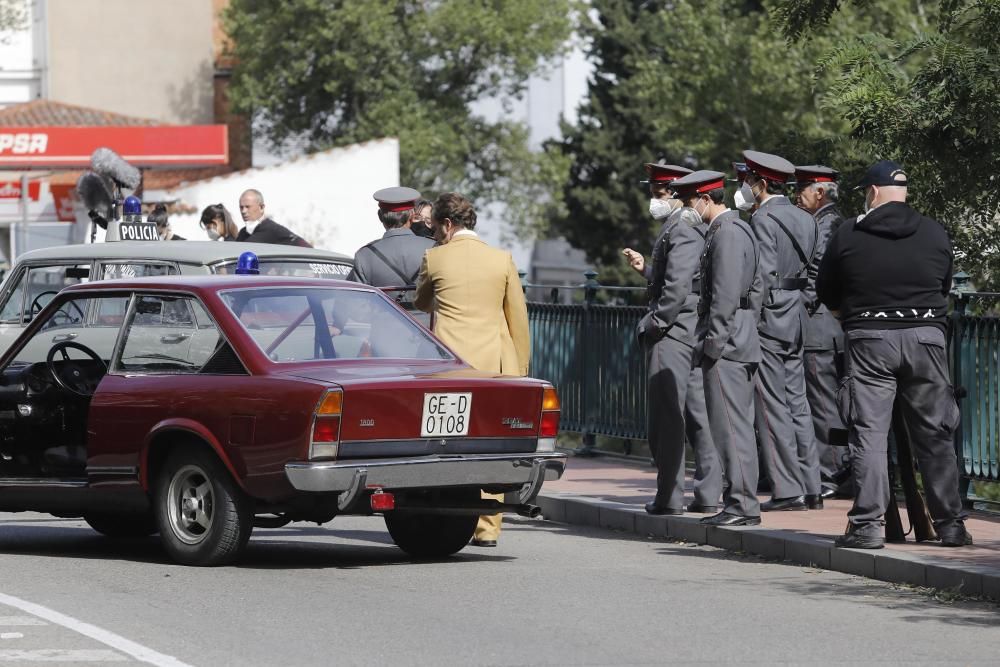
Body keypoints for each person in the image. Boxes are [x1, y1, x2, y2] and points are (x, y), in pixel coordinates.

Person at [817, 160, 970, 549]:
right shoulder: (936, 232)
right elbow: (944, 284)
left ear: (871, 192)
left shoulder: (848, 233)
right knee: (935, 433)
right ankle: (951, 525)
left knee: (869, 433)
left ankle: (867, 526)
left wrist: (850, 316)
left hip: (870, 339)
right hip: (926, 338)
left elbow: (827, 289)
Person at [414, 192, 530, 547]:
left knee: (444, 445)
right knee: (491, 446)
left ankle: (447, 515)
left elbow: (421, 301)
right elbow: (518, 319)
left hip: (449, 367)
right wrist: (521, 369)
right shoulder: (501, 259)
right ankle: (488, 529)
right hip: (492, 367)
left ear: (448, 225)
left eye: (435, 229)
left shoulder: (435, 259)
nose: (434, 235)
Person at [622, 161, 721, 515]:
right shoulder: (684, 225)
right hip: (690, 324)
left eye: (660, 193)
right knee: (697, 414)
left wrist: (656, 324)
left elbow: (678, 285)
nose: (655, 199)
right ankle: (708, 493)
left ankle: (669, 496)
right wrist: (647, 271)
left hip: (675, 329)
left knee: (667, 417)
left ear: (676, 193)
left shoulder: (679, 227)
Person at [675, 169, 762, 526]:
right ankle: (739, 502)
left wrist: (714, 343)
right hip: (740, 336)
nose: (685, 208)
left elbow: (725, 296)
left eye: (688, 201)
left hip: (726, 343)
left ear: (705, 199)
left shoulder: (725, 233)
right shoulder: (741, 228)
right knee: (736, 424)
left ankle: (742, 505)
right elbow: (757, 290)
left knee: (730, 427)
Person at [742, 150, 821, 512]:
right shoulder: (806, 218)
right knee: (798, 404)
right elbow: (815, 275)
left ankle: (788, 490)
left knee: (772, 405)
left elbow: (762, 277)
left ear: (760, 183)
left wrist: (750, 320)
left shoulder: (763, 218)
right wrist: (800, 305)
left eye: (747, 181)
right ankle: (813, 486)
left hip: (770, 321)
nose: (745, 187)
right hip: (797, 320)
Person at [795, 165, 850, 499]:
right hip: (826, 329)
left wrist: (786, 303)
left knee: (824, 404)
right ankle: (836, 469)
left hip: (820, 331)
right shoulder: (829, 222)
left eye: (801, 188)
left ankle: (832, 473)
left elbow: (816, 281)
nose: (796, 195)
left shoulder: (827, 225)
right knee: (829, 402)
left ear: (820, 192)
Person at [348, 187, 435, 287]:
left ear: (380, 216)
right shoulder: (435, 247)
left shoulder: (364, 255)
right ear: (412, 216)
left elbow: (356, 299)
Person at [236, 189, 311, 246]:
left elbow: (307, 249)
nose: (243, 211)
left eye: (248, 207)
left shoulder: (274, 230)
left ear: (261, 207)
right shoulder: (242, 233)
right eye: (241, 207)